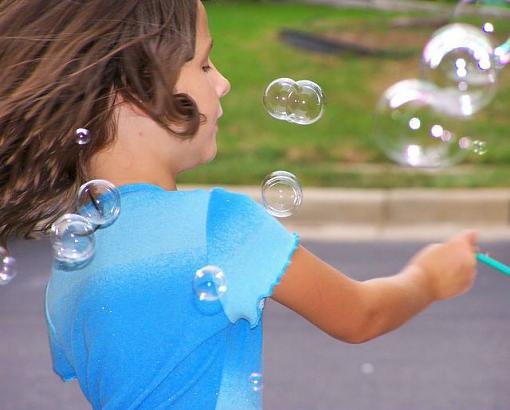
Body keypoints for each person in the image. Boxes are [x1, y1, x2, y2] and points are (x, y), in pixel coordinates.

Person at [0, 1, 478, 409]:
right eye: (205, 64)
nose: (223, 82)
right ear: (139, 92)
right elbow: (360, 315)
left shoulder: (74, 257)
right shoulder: (217, 225)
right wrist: (428, 279)